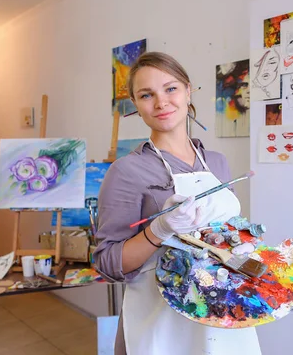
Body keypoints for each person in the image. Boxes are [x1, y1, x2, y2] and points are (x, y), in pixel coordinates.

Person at [93, 52, 261, 355]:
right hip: (162, 324)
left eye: (170, 88)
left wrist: (241, 245)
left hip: (224, 313)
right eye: (147, 94)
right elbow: (108, 264)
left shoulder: (217, 163)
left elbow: (225, 236)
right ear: (135, 104)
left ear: (188, 90)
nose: (161, 102)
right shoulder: (127, 172)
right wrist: (158, 230)